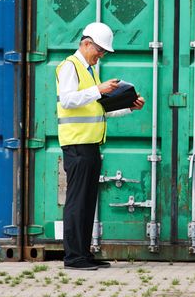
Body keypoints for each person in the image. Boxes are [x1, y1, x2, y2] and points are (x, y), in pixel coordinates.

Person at [56, 22, 145, 270]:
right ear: (86, 44)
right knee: (76, 202)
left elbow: (100, 111)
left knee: (87, 203)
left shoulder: (90, 71)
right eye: (100, 50)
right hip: (76, 145)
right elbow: (68, 100)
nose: (101, 55)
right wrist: (99, 89)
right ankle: (73, 258)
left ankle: (84, 254)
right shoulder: (69, 67)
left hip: (90, 145)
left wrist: (129, 107)